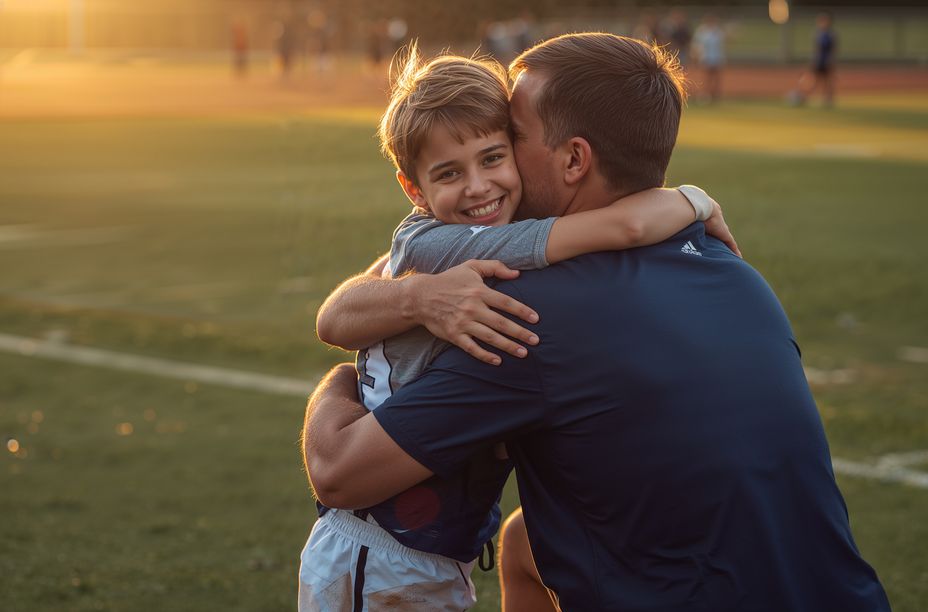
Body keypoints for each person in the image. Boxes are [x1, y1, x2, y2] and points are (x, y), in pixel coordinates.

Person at [304, 33, 890, 611]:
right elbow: (376, 285)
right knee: (520, 544)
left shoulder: (533, 315)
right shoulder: (734, 271)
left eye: (512, 139)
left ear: (574, 159)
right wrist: (690, 199)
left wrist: (342, 383)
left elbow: (339, 474)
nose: (491, 174)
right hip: (837, 594)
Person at [790, 11, 838, 107]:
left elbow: (833, 50)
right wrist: (813, 61)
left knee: (827, 81)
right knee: (813, 81)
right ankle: (803, 97)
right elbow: (816, 50)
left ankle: (828, 100)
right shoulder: (818, 34)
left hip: (826, 62)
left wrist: (831, 61)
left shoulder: (831, 35)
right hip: (819, 62)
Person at [692, 13, 727, 103]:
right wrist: (696, 55)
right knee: (706, 77)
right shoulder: (702, 31)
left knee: (716, 78)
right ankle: (705, 95)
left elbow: (723, 43)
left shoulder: (718, 31)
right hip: (706, 57)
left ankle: (715, 96)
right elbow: (696, 44)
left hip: (717, 57)